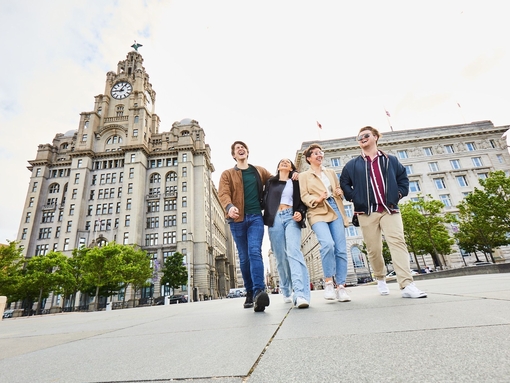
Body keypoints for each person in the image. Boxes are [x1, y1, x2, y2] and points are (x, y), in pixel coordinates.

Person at [340, 126, 427, 298]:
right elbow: (344, 183)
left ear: (375, 137)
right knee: (374, 249)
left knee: (398, 242)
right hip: (366, 212)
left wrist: (399, 194)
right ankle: (380, 278)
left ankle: (407, 285)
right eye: (359, 137)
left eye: (366, 135)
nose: (362, 138)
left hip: (390, 209)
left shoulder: (391, 160)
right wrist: (354, 198)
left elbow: (403, 179)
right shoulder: (352, 165)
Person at [217, 141, 274, 312]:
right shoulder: (227, 174)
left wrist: (290, 174)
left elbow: (274, 181)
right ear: (234, 155)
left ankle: (259, 292)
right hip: (237, 220)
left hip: (256, 216)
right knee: (244, 257)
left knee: (254, 251)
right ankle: (249, 291)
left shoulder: (258, 170)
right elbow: (223, 193)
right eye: (237, 149)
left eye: (243, 147)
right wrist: (229, 207)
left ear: (247, 152)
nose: (240, 149)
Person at [299, 144, 351, 302]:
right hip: (317, 210)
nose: (319, 155)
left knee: (341, 249)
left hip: (334, 208)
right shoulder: (304, 176)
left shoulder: (331, 172)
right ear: (309, 158)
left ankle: (341, 286)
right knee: (327, 244)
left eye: (320, 152)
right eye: (315, 153)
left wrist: (339, 192)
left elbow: (337, 190)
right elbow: (304, 196)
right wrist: (317, 199)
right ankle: (329, 282)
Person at [263, 158, 310, 309]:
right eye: (281, 161)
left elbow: (302, 200)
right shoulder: (271, 182)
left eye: (287, 162)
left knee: (293, 251)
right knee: (281, 257)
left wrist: (300, 212)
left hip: (291, 216)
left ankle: (300, 293)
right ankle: (285, 288)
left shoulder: (296, 180)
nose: (284, 162)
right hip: (275, 218)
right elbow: (263, 200)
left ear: (291, 168)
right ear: (278, 167)